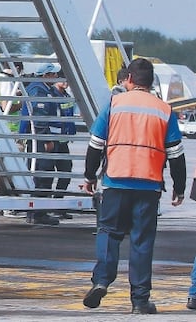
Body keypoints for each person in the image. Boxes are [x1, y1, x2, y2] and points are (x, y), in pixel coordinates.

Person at [81, 57, 185, 314]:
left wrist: (89, 176)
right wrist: (179, 187)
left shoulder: (114, 105)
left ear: (128, 79)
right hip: (149, 184)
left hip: (116, 179)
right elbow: (176, 154)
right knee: (142, 240)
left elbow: (95, 144)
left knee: (109, 231)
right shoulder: (164, 110)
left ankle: (102, 280)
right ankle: (140, 301)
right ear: (151, 82)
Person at [18, 62, 67, 226]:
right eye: (54, 74)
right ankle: (37, 213)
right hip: (42, 140)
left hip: (50, 138)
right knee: (42, 174)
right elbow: (39, 118)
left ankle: (40, 211)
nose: (56, 77)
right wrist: (46, 139)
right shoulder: (39, 90)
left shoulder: (47, 89)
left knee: (46, 174)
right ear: (46, 75)